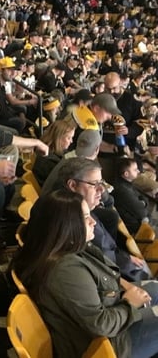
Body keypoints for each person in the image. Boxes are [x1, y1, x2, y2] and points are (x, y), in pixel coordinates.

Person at [12, 189, 158, 358]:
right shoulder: (65, 270)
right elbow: (100, 324)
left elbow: (106, 274)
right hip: (106, 345)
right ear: (65, 225)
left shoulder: (69, 246)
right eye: (85, 217)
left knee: (155, 288)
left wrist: (125, 286)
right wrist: (130, 303)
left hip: (113, 313)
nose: (93, 222)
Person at [32, 117, 77, 187]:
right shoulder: (49, 161)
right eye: (68, 138)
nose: (71, 141)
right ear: (58, 138)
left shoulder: (51, 150)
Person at [112, 157, 151, 235]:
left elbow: (144, 198)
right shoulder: (123, 190)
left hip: (141, 220)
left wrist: (143, 203)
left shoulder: (126, 183)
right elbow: (142, 213)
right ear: (126, 174)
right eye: (135, 169)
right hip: (137, 228)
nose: (138, 171)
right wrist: (143, 203)